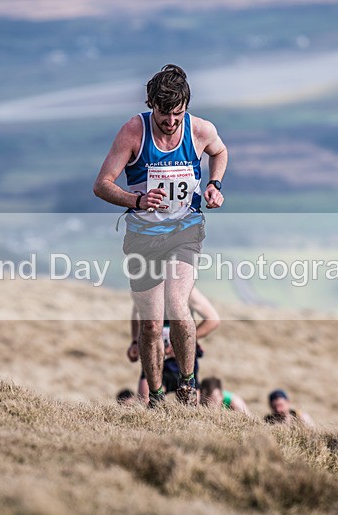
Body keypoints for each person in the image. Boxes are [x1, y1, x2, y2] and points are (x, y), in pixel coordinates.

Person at [94, 64, 227, 408]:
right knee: (151, 325)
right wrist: (136, 199)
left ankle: (187, 384)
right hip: (142, 236)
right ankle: (154, 397)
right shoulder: (132, 132)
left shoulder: (199, 129)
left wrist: (214, 185)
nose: (171, 122)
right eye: (164, 114)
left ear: (186, 106)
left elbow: (219, 151)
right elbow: (102, 185)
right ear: (151, 104)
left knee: (178, 304)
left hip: (185, 230)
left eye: (177, 114)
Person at [128, 287, 220, 404]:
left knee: (188, 405)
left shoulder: (187, 290)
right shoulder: (147, 286)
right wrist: (135, 342)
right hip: (155, 358)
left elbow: (213, 319)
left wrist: (185, 340)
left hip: (182, 361)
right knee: (145, 402)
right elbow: (136, 313)